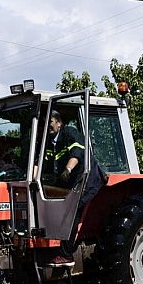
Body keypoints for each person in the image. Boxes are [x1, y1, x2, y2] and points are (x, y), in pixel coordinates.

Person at [45, 110, 107, 266]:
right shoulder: (50, 142)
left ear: (59, 123)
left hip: (86, 179)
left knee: (71, 211)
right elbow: (43, 163)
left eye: (51, 122)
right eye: (46, 124)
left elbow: (76, 153)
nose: (48, 126)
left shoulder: (69, 133)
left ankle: (66, 255)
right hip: (70, 183)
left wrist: (68, 169)